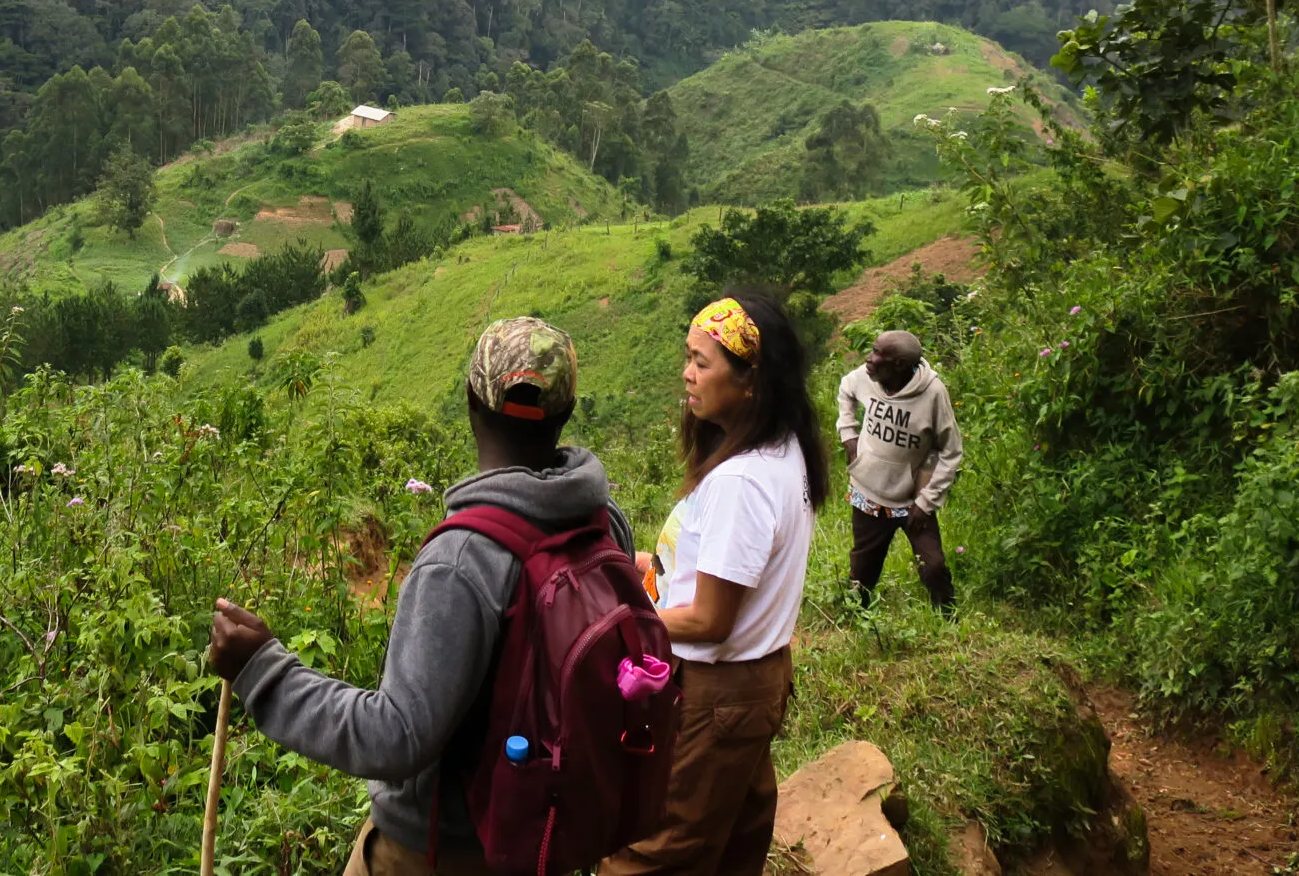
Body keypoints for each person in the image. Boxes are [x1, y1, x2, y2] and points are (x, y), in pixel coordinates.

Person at [206, 317, 634, 876]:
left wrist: (263, 671)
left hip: (441, 849)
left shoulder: (463, 560)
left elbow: (397, 736)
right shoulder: (606, 525)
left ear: (470, 403)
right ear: (568, 413)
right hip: (542, 834)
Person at [603, 291, 829, 876]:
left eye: (703, 363)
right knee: (735, 840)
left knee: (656, 848)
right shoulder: (784, 451)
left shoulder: (742, 481)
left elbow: (710, 620)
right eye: (688, 356)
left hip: (718, 692)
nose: (687, 373)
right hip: (757, 681)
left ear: (751, 380)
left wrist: (623, 620)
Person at [835, 327, 964, 611]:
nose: (869, 358)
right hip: (868, 492)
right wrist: (849, 436)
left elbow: (951, 451)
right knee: (863, 569)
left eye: (878, 353)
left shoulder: (933, 394)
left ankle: (948, 621)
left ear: (900, 365)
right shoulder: (867, 377)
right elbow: (846, 388)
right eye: (872, 349)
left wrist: (926, 502)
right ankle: (858, 618)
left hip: (912, 501)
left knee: (933, 567)